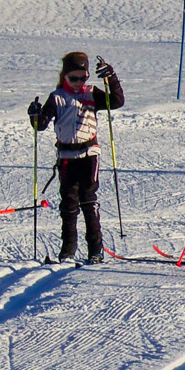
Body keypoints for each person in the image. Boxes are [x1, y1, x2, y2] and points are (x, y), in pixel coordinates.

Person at [29, 52, 124, 262]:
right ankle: (68, 250)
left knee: (88, 200)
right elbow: (41, 124)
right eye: (74, 78)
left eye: (83, 78)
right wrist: (34, 114)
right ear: (64, 76)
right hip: (66, 155)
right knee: (68, 204)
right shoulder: (57, 97)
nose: (79, 83)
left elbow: (117, 101)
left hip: (89, 153)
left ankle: (95, 250)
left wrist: (111, 78)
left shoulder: (91, 93)